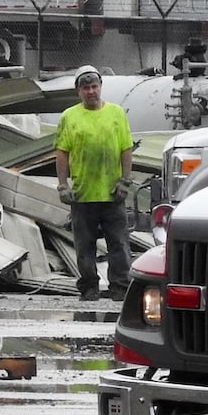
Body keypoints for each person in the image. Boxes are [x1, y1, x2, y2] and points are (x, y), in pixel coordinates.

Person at [53, 68, 135, 302]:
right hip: (82, 194)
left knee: (118, 243)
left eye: (94, 86)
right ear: (79, 91)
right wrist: (62, 185)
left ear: (100, 86)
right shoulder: (70, 116)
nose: (91, 91)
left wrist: (125, 181)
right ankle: (89, 287)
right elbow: (62, 152)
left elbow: (125, 149)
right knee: (84, 246)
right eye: (86, 88)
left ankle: (119, 286)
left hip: (112, 193)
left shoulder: (116, 113)